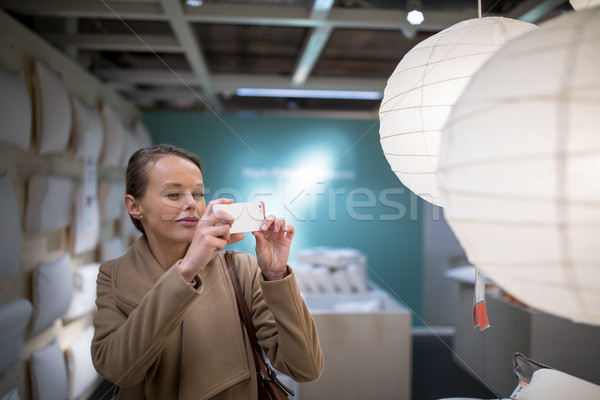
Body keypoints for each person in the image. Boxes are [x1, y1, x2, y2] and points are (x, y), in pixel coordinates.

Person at [91, 144, 324, 399]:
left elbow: (306, 368)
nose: (192, 204)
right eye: (173, 195)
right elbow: (118, 370)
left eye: (198, 194)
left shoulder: (241, 269)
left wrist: (277, 275)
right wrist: (187, 269)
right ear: (135, 206)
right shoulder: (111, 275)